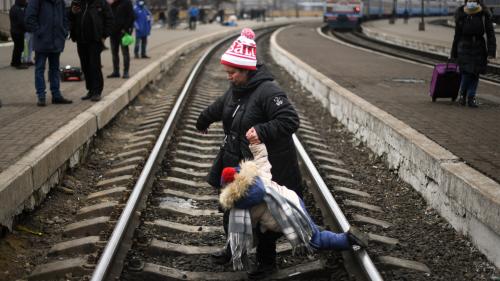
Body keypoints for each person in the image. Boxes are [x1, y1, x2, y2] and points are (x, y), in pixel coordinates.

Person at [196, 28, 302, 280]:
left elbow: (290, 120)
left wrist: (263, 130)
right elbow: (221, 107)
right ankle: (233, 248)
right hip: (237, 159)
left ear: (247, 71)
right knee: (231, 208)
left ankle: (267, 263)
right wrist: (203, 120)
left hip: (267, 164)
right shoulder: (238, 89)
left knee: (266, 217)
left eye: (233, 73)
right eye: (228, 73)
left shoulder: (269, 91)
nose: (229, 77)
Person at [219, 143, 368, 272]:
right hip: (291, 200)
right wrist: (255, 145)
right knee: (310, 229)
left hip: (287, 216)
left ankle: (348, 239)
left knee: (315, 240)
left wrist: (236, 248)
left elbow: (248, 233)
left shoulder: (244, 206)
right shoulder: (255, 176)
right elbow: (262, 160)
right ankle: (316, 229)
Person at [25, 0, 73, 106]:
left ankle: (56, 95)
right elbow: (29, 17)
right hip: (42, 40)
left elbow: (64, 17)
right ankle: (41, 96)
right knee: (40, 68)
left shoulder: (60, 1)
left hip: (56, 40)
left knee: (55, 69)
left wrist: (64, 31)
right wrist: (39, 31)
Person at [451, 0, 496, 107]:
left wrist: (491, 52)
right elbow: (457, 35)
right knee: (466, 72)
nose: (472, 2)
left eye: (474, 0)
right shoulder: (461, 13)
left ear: (478, 1)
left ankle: (471, 97)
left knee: (475, 73)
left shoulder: (484, 14)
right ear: (466, 1)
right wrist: (453, 53)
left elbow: (490, 34)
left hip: (479, 47)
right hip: (464, 46)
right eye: (470, 0)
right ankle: (462, 95)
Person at [69, 0, 113, 102]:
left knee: (94, 66)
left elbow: (110, 19)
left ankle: (97, 91)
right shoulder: (77, 2)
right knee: (85, 66)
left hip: (95, 40)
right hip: (81, 39)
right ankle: (90, 90)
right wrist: (72, 12)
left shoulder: (100, 3)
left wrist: (104, 35)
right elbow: (70, 18)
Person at [108, 0, 134, 79]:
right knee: (114, 53)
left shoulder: (126, 2)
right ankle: (116, 71)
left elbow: (131, 16)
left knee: (125, 52)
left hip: (123, 32)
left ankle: (126, 72)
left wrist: (126, 28)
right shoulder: (111, 3)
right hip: (113, 32)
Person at [9, 0, 28, 69]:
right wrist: (27, 28)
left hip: (14, 31)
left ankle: (14, 62)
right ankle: (17, 63)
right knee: (20, 47)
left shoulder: (13, 8)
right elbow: (21, 22)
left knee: (17, 47)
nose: (25, 2)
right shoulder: (18, 9)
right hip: (18, 32)